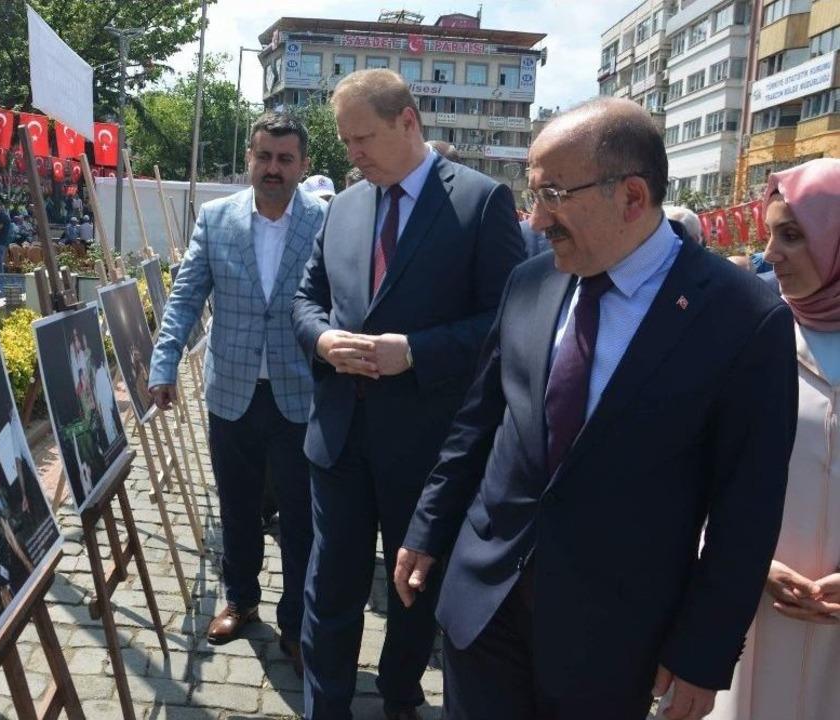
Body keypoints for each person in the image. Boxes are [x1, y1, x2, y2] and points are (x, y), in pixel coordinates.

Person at [393, 97, 798, 720]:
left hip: (613, 642)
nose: (533, 220)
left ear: (631, 197)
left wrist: (704, 653)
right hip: (484, 606)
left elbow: (747, 509)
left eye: (552, 194)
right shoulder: (532, 281)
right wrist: (428, 525)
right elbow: (479, 420)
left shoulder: (743, 318)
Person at [291, 69, 524, 720]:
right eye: (345, 142)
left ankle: (399, 698)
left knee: (412, 589)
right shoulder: (342, 206)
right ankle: (326, 707)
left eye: (363, 138)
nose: (353, 153)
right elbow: (306, 301)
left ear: (408, 122)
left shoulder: (479, 203)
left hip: (427, 443)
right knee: (327, 587)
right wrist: (323, 341)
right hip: (337, 436)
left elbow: (505, 324)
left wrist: (415, 352)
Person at [149, 112, 326, 674]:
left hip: (301, 396)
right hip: (233, 393)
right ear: (250, 158)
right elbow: (185, 296)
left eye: (285, 159)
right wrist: (165, 361)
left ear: (303, 165)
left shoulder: (326, 221)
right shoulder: (216, 218)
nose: (273, 168)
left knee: (301, 516)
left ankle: (297, 623)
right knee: (238, 506)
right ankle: (241, 599)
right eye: (264, 157)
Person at [709, 158, 840, 720]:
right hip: (753, 608)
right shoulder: (747, 336)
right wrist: (748, 561)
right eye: (768, 233)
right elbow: (696, 472)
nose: (769, 253)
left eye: (792, 234)